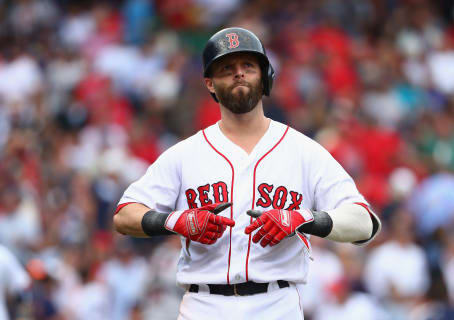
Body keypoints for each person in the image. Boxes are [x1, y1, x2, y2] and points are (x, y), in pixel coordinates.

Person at [113, 27, 381, 320]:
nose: (238, 73)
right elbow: (124, 216)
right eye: (227, 68)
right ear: (210, 84)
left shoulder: (303, 151)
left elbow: (364, 222)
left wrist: (304, 219)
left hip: (277, 304)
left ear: (264, 77)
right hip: (203, 306)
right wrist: (176, 220)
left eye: (248, 66)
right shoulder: (184, 154)